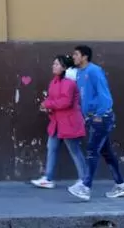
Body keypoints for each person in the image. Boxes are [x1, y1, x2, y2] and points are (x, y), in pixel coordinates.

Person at [68, 45, 124, 201]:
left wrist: (99, 114)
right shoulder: (80, 74)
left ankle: (86, 186)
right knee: (106, 153)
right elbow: (84, 97)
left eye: (76, 54)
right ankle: (121, 185)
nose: (73, 57)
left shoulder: (94, 71)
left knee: (92, 150)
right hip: (91, 117)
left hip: (101, 117)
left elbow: (104, 95)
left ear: (85, 57)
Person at [31, 55, 87, 189]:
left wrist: (48, 104)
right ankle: (48, 178)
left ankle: (84, 179)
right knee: (52, 148)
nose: (53, 66)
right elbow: (52, 99)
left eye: (56, 64)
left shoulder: (69, 83)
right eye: (54, 64)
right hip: (56, 123)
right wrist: (47, 107)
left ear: (64, 68)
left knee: (74, 151)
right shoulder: (54, 82)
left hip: (68, 123)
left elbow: (65, 102)